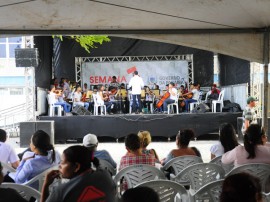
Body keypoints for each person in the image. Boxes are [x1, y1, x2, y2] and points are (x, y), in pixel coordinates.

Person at [41, 145, 116, 202]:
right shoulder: (106, 175)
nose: (59, 166)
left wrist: (46, 184)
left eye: (62, 162)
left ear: (77, 167)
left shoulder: (61, 191)